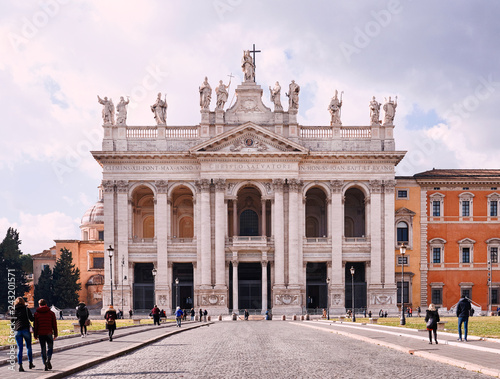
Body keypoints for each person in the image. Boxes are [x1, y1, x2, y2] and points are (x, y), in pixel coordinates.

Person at [34, 299, 58, 371]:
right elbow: (54, 324)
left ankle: (45, 364)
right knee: (50, 348)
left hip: (41, 334)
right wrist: (55, 334)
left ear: (39, 305)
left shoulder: (36, 314)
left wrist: (35, 335)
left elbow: (35, 325)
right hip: (49, 333)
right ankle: (49, 359)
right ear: (46, 304)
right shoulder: (51, 313)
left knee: (43, 349)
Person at [13, 297, 35, 372]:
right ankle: (30, 363)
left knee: (20, 348)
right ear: (23, 302)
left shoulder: (13, 310)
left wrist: (14, 329)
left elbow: (12, 321)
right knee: (29, 347)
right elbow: (31, 319)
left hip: (17, 330)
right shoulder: (26, 309)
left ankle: (20, 365)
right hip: (25, 329)